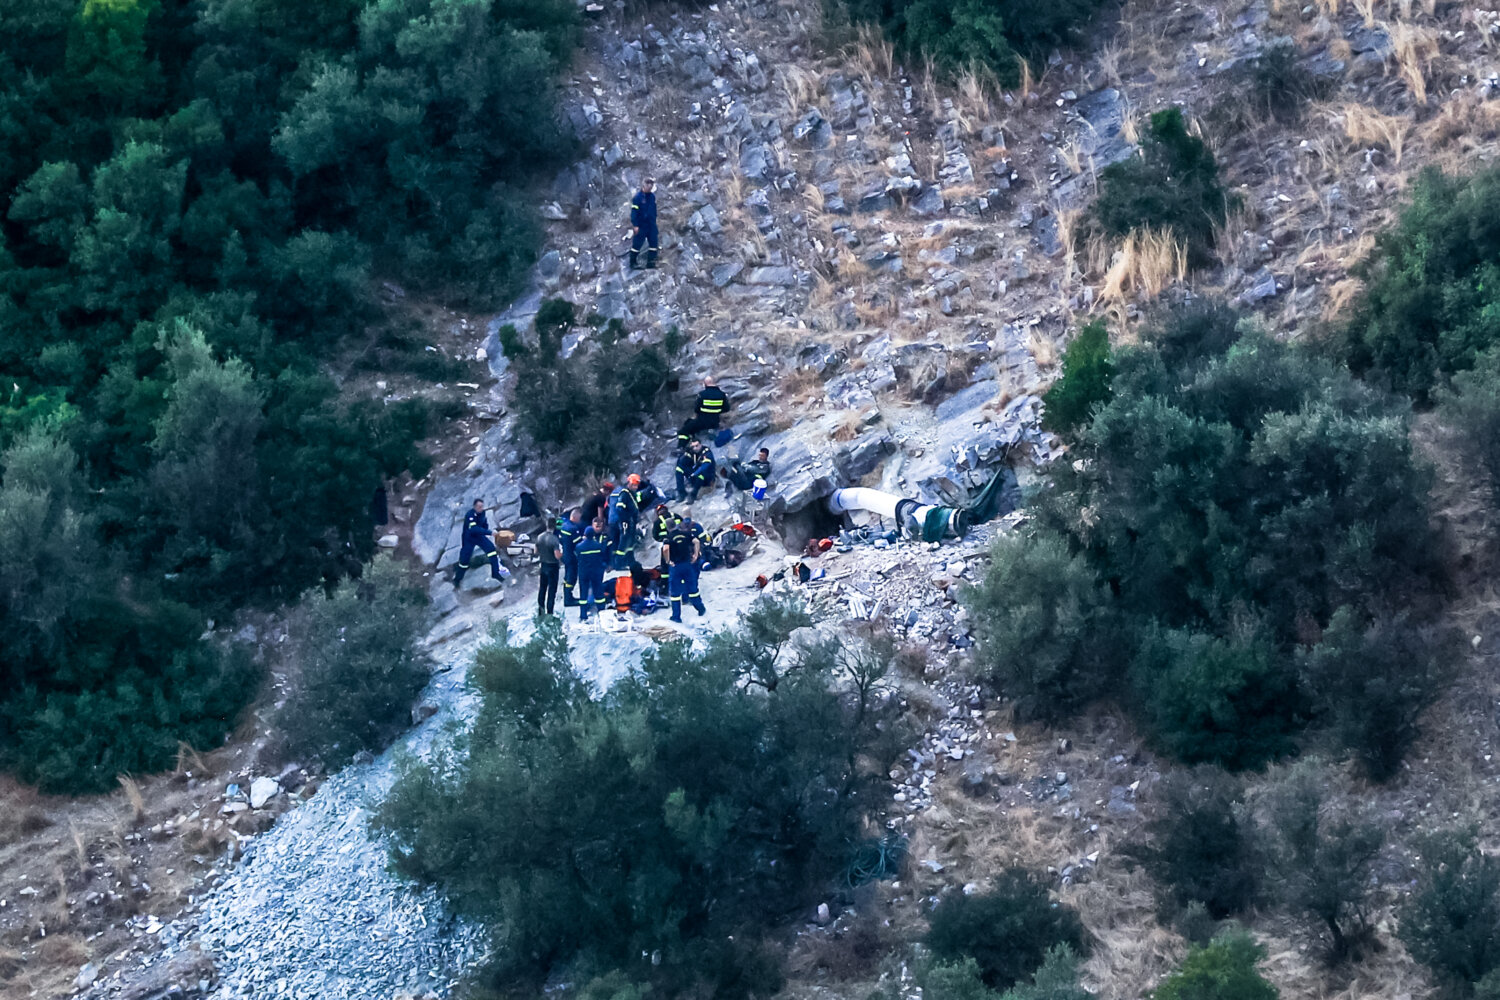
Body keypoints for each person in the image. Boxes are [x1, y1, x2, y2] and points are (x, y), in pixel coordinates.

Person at [663, 510, 706, 622]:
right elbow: (696, 541)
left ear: (667, 527)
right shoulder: (685, 533)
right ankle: (701, 609)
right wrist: (695, 555)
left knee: (675, 593)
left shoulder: (668, 537)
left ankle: (676, 617)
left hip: (676, 567)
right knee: (693, 589)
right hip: (687, 565)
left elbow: (666, 549)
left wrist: (668, 560)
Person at [453, 498, 507, 589]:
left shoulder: (483, 513)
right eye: (479, 507)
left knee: (492, 551)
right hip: (469, 538)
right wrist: (489, 532)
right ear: (474, 507)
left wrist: (487, 531)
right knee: (464, 560)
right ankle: (457, 579)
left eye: (482, 506)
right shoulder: (470, 515)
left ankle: (496, 574)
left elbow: (484, 524)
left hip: (479, 536)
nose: (481, 508)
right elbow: (473, 529)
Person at [676, 376, 728, 447]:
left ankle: (681, 447)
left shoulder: (702, 394)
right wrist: (716, 411)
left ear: (705, 384)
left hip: (702, 422)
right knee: (690, 424)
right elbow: (726, 408)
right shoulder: (722, 394)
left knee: (684, 430)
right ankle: (694, 441)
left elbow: (697, 409)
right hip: (715, 423)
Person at [574, 526, 608, 622]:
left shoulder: (579, 547)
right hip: (596, 572)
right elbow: (602, 557)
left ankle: (583, 615)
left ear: (585, 534)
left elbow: (577, 557)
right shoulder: (598, 546)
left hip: (584, 573)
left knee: (583, 594)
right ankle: (601, 611)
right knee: (598, 592)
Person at [607, 479, 641, 569]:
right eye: (634, 485)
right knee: (624, 541)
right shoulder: (625, 493)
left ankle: (628, 561)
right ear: (629, 483)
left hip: (613, 521)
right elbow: (620, 508)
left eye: (636, 485)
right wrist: (626, 519)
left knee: (619, 541)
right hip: (622, 521)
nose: (636, 487)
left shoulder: (617, 491)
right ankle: (619, 563)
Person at [629, 176, 659, 271]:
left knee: (654, 243)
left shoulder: (652, 197)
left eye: (651, 186)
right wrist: (635, 225)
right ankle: (632, 263)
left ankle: (651, 263)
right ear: (644, 185)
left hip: (651, 224)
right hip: (641, 225)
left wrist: (654, 219)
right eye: (648, 186)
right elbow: (634, 212)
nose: (649, 188)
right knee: (637, 244)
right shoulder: (637, 198)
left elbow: (654, 209)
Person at [535, 519, 563, 615]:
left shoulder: (539, 537)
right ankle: (550, 611)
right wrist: (563, 553)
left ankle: (540, 608)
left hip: (543, 565)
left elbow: (535, 551)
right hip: (553, 567)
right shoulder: (554, 539)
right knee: (552, 590)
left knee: (542, 588)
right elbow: (557, 555)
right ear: (554, 526)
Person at [557, 508, 583, 606]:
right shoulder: (573, 529)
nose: (580, 520)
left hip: (564, 554)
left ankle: (568, 597)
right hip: (571, 557)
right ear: (576, 517)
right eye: (579, 518)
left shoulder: (563, 524)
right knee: (571, 577)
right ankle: (568, 599)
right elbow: (579, 545)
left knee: (567, 575)